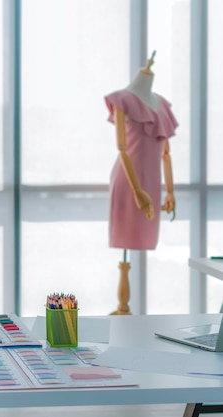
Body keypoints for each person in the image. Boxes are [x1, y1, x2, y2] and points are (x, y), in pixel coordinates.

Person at [104, 52, 178, 314]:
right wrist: (137, 191)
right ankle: (122, 307)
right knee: (126, 240)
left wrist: (170, 191)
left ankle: (125, 306)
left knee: (142, 239)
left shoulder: (162, 106)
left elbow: (165, 153)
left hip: (152, 181)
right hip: (129, 180)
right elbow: (123, 149)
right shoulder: (123, 100)